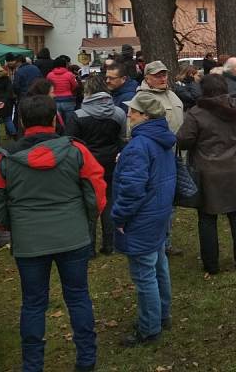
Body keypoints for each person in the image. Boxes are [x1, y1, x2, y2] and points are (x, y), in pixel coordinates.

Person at [0, 95, 105, 371]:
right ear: (55, 118)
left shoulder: (4, 160)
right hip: (73, 236)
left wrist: (11, 226)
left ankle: (32, 365)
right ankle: (86, 360)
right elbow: (96, 192)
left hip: (29, 241)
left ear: (21, 120)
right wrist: (86, 221)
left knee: (33, 303)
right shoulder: (76, 151)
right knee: (78, 296)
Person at [112, 92, 176, 347]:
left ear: (146, 116)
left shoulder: (139, 146)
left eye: (133, 112)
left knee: (145, 274)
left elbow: (131, 189)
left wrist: (118, 216)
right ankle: (162, 314)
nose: (128, 115)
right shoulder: (161, 140)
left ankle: (149, 327)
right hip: (159, 211)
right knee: (159, 265)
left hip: (141, 217)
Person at [176, 75, 236, 274]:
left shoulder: (197, 113)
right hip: (234, 168)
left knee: (208, 217)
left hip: (208, 171)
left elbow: (183, 140)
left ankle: (211, 264)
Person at [65, 75, 127, 256]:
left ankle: (89, 247)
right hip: (110, 162)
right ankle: (110, 244)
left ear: (88, 91)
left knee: (88, 203)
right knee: (109, 202)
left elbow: (69, 141)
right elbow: (123, 138)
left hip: (86, 164)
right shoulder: (118, 113)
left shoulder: (78, 115)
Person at [138, 61, 184, 257]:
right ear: (147, 78)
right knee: (159, 202)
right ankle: (158, 243)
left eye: (164, 74)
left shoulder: (171, 94)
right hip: (157, 157)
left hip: (175, 155)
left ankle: (165, 242)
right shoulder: (143, 99)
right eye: (157, 75)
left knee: (170, 202)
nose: (162, 78)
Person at [0, 61, 16, 142]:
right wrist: (4, 101)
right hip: (6, 102)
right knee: (8, 120)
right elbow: (9, 92)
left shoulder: (6, 78)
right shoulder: (6, 78)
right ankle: (15, 137)